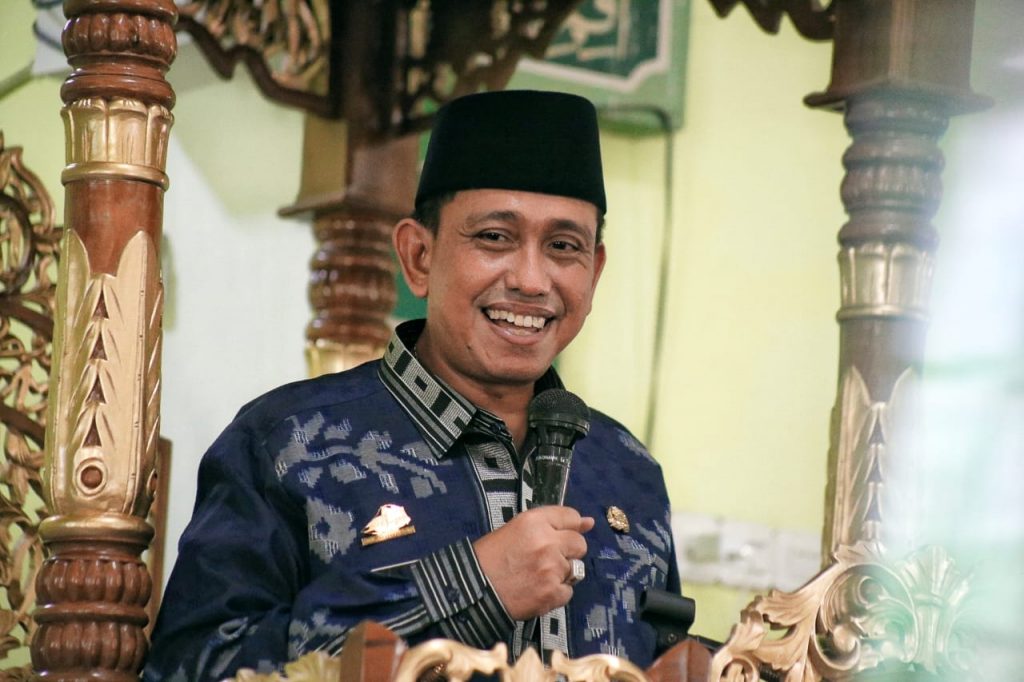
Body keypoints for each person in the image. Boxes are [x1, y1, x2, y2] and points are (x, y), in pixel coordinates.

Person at [144, 90, 679, 681]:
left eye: (562, 247)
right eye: (494, 237)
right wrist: (470, 585)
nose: (531, 280)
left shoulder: (628, 471)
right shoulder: (288, 445)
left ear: (594, 272)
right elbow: (193, 668)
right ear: (419, 256)